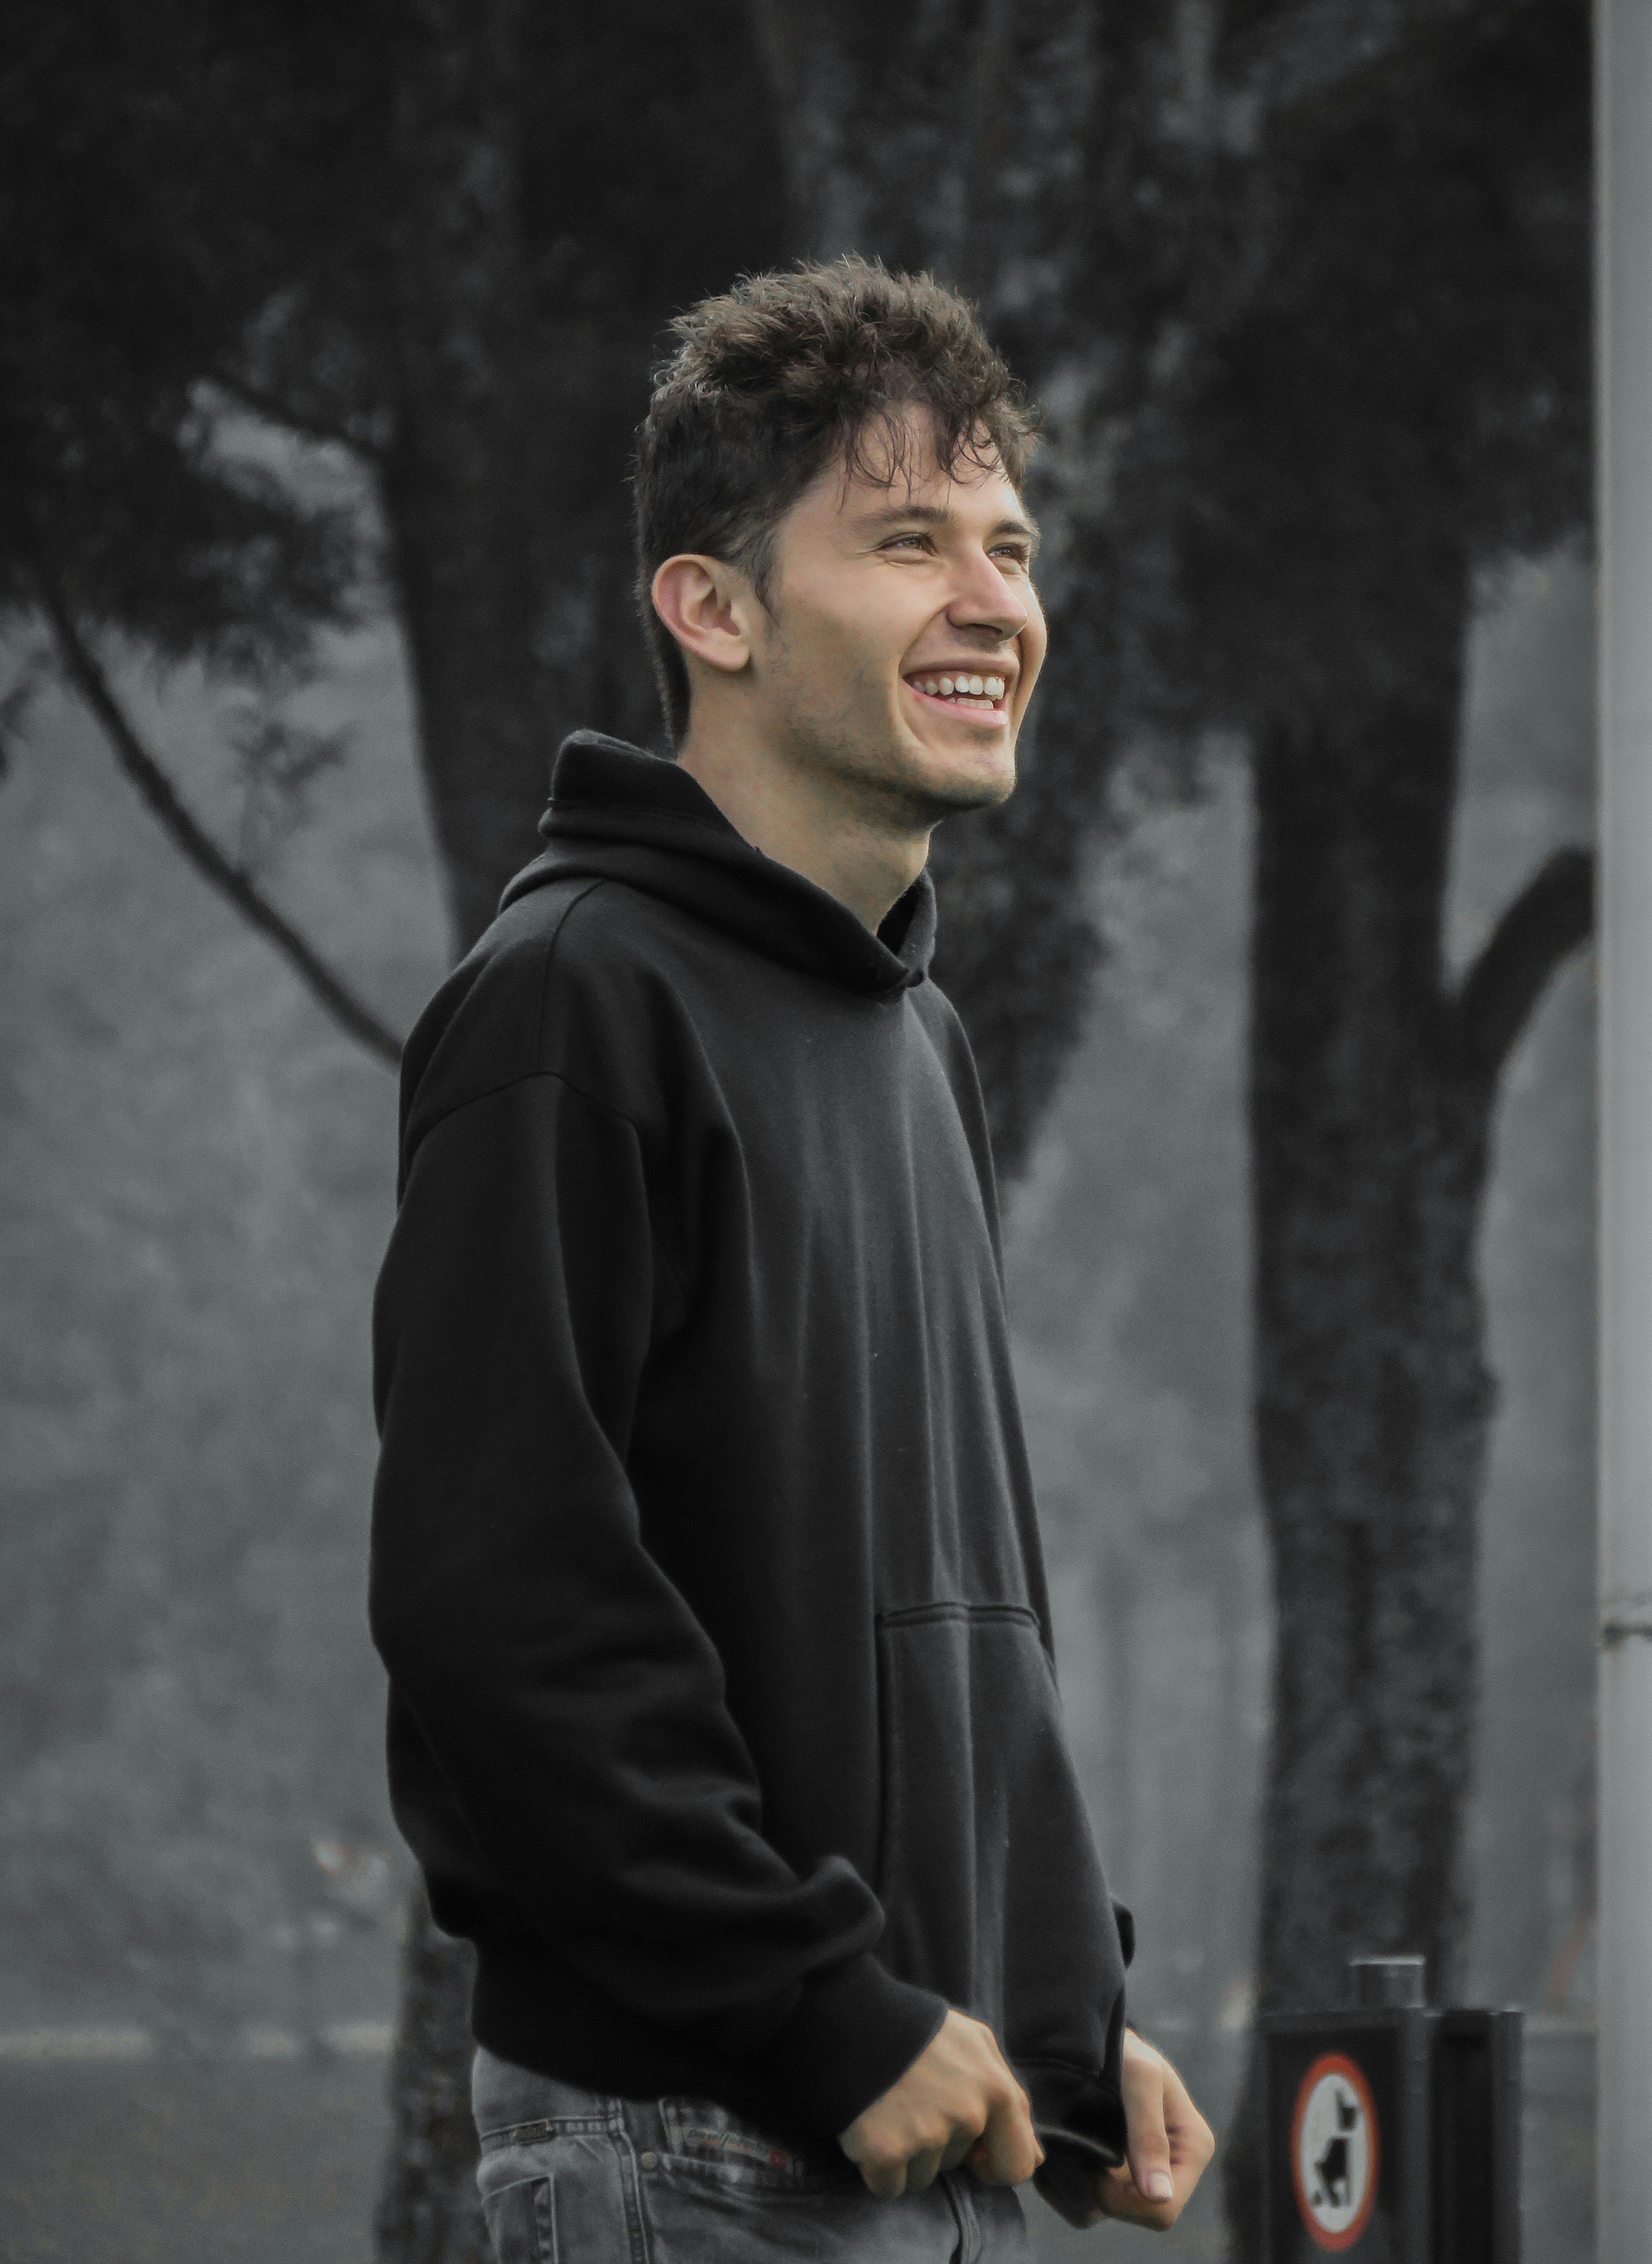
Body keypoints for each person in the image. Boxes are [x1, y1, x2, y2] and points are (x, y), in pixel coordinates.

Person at [369, 256, 1214, 2262]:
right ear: (714, 606)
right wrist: (816, 2007)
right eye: (906, 540)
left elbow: (942, 1607)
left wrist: (1065, 2025)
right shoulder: (570, 1006)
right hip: (690, 2150)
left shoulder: (916, 1040)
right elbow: (507, 1621)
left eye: (1008, 545)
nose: (993, 601)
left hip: (930, 2135)